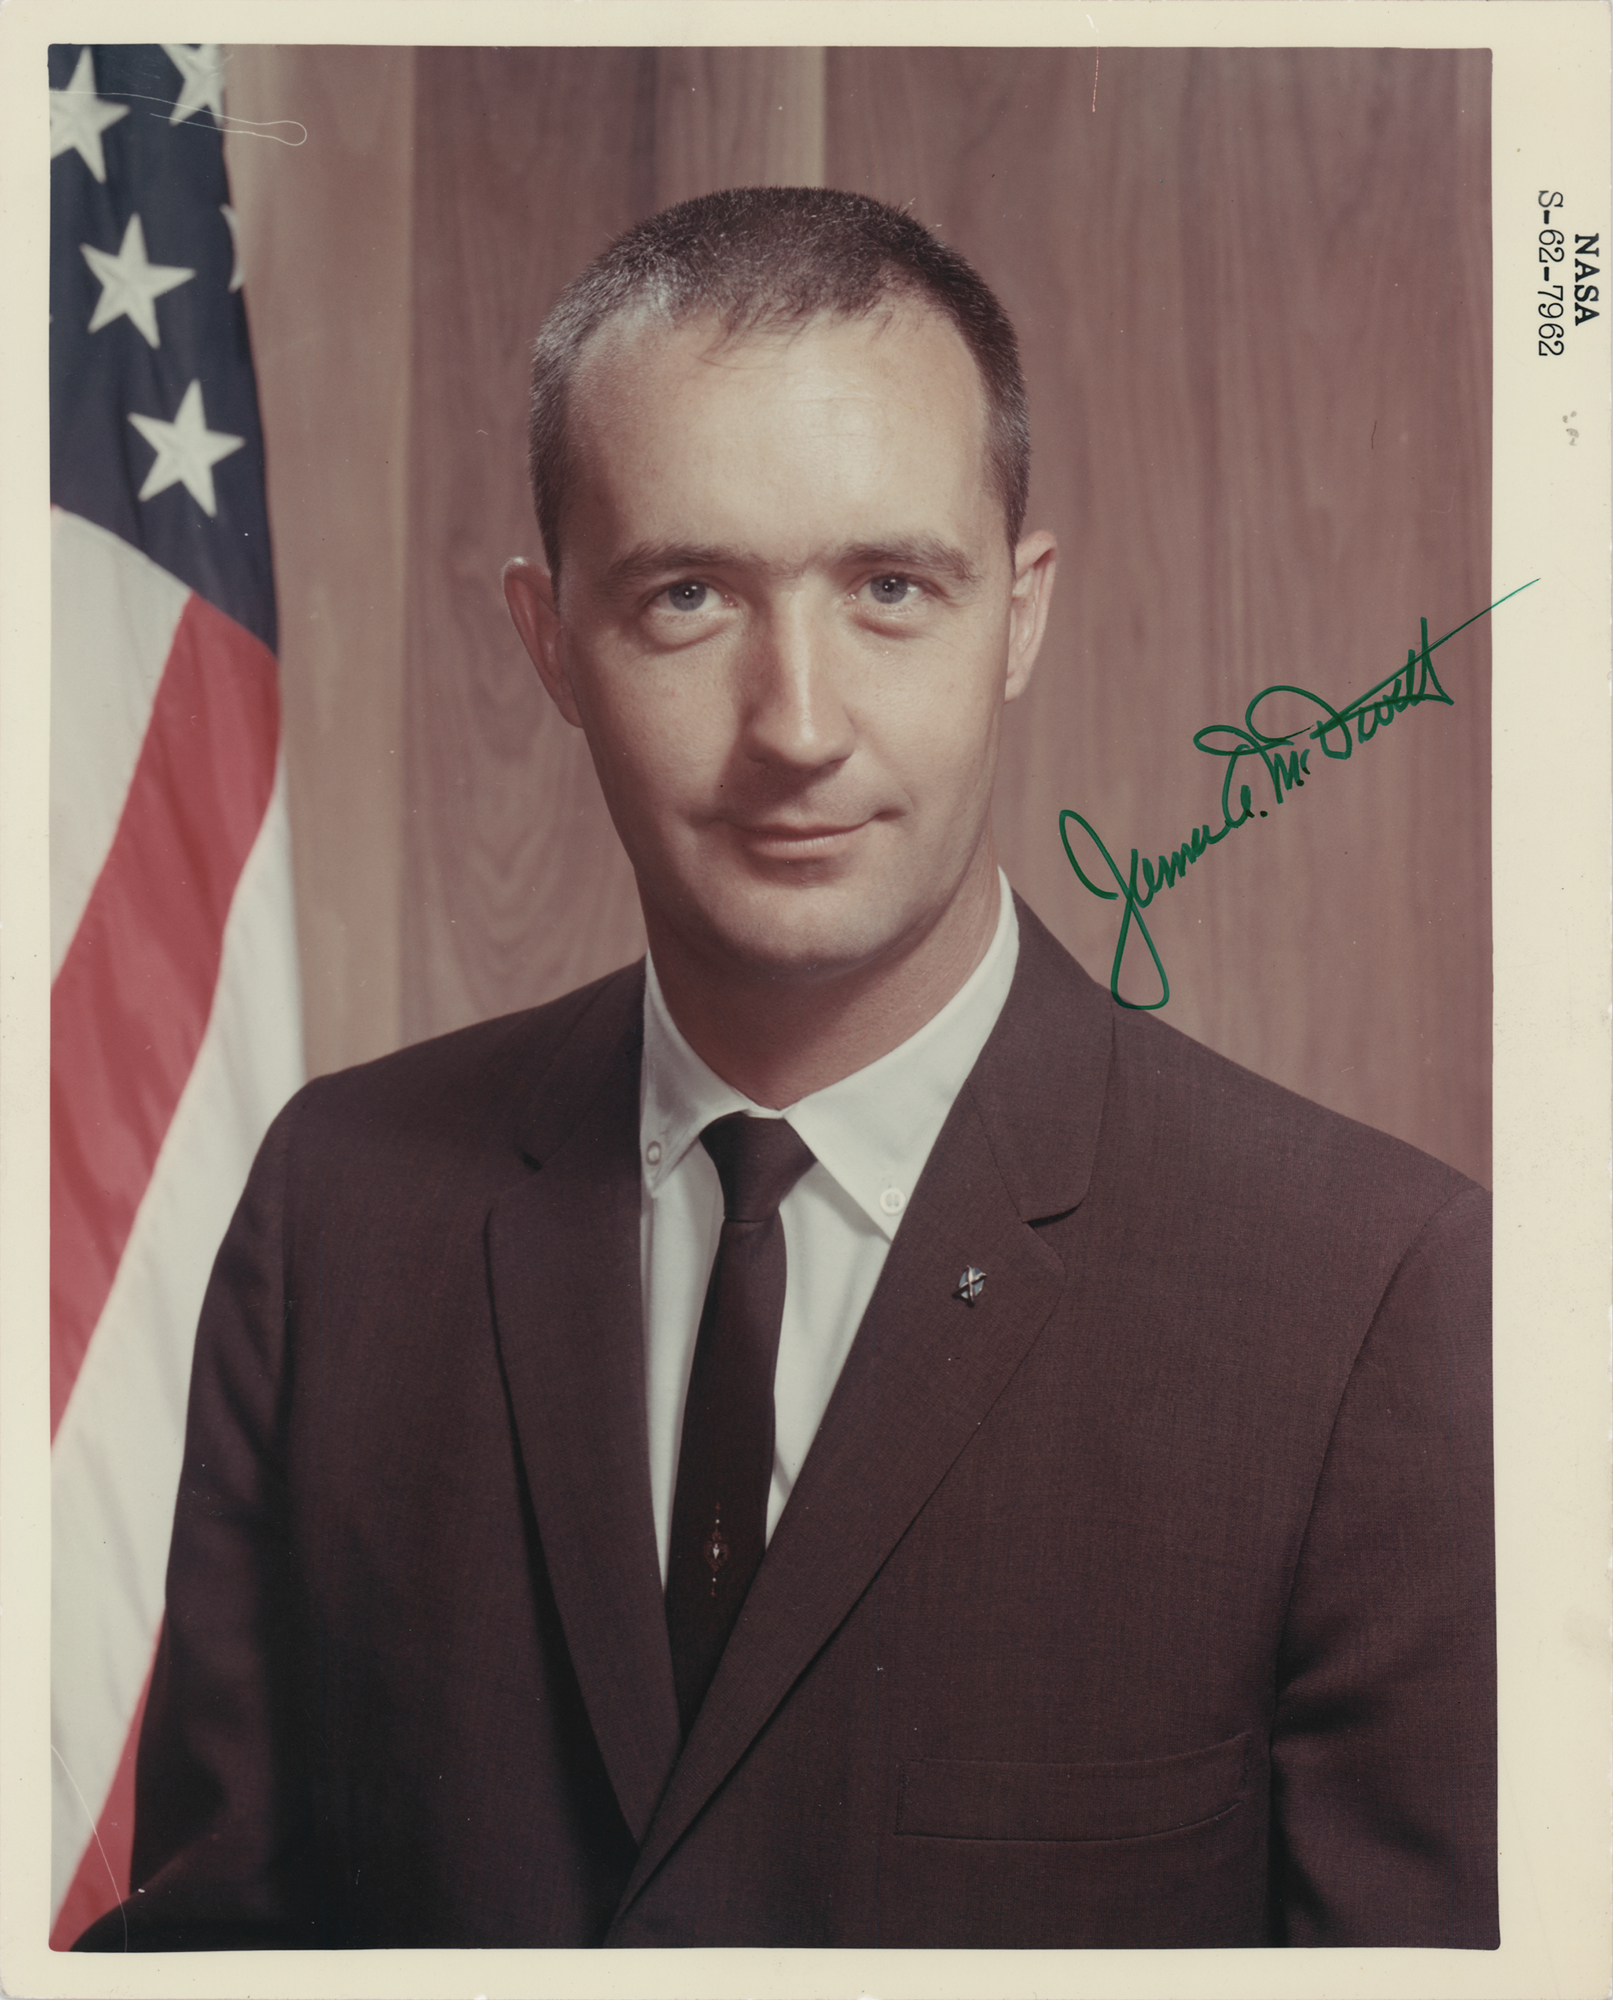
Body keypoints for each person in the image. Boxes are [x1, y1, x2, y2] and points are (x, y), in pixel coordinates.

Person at [77, 186, 1496, 1952]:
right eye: (687, 597)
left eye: (891, 589)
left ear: (1018, 615)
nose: (799, 725)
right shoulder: (338, 1208)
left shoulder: (1368, 1294)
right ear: (549, 639)